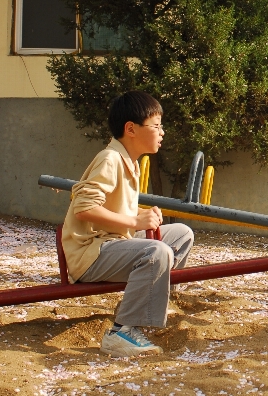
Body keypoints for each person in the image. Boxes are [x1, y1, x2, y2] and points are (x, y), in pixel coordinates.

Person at [61, 91, 194, 356]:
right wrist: (135, 220)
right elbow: (84, 208)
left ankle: (149, 301)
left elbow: (114, 209)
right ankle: (122, 331)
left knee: (181, 234)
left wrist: (140, 216)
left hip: (114, 243)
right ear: (131, 129)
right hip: (90, 254)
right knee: (157, 252)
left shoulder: (129, 162)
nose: (162, 132)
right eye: (156, 126)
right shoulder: (110, 159)